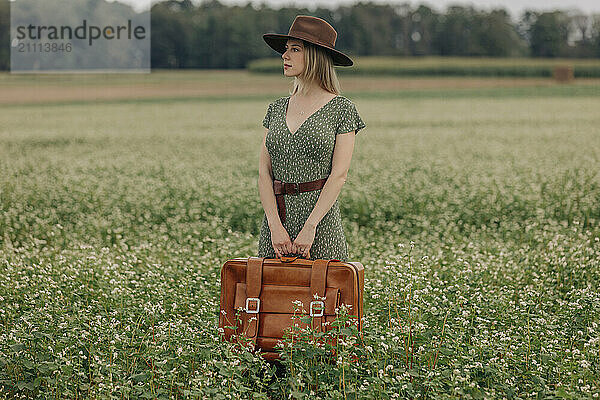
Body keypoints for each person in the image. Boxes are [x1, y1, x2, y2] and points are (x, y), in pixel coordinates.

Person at [258, 15, 366, 263]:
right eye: (286, 50)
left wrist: (310, 228)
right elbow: (264, 173)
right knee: (272, 296)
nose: (285, 56)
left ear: (316, 56)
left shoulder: (342, 109)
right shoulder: (275, 108)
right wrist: (274, 227)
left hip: (321, 227)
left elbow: (339, 175)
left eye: (295, 49)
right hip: (276, 228)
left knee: (324, 297)